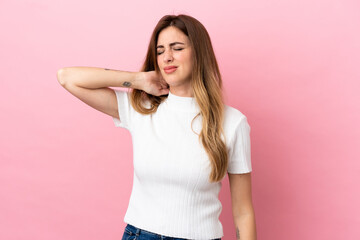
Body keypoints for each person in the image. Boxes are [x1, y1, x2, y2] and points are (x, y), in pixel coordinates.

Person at [57, 14, 257, 240]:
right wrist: (138, 80)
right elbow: (67, 77)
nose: (167, 57)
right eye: (160, 51)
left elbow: (243, 212)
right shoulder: (142, 109)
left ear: (199, 53)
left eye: (177, 48)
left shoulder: (232, 122)